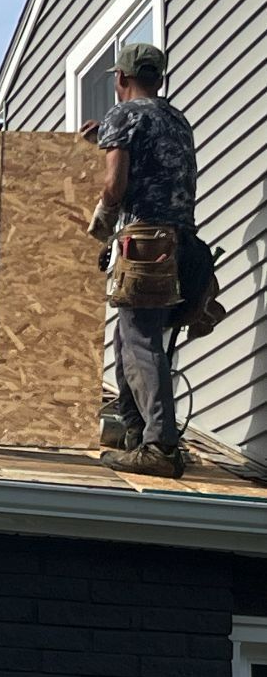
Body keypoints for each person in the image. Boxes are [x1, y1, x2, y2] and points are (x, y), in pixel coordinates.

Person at [80, 43, 196, 478]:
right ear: (159, 79)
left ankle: (160, 446)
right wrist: (105, 142)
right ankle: (136, 431)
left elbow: (115, 184)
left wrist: (101, 225)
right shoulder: (175, 119)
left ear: (121, 79)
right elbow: (153, 166)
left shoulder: (123, 115)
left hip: (145, 240)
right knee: (129, 339)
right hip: (180, 241)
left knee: (141, 340)